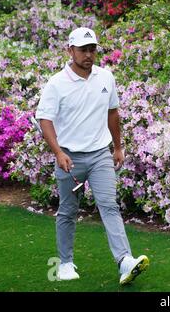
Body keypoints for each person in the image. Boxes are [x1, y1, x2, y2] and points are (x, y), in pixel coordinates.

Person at [36, 27, 149, 285]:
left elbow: (113, 113)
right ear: (70, 51)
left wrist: (118, 147)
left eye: (92, 49)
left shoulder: (105, 77)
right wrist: (58, 152)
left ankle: (124, 261)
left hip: (100, 154)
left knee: (109, 205)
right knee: (68, 210)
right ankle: (65, 263)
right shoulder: (57, 83)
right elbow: (45, 120)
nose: (88, 55)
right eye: (83, 50)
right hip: (70, 159)